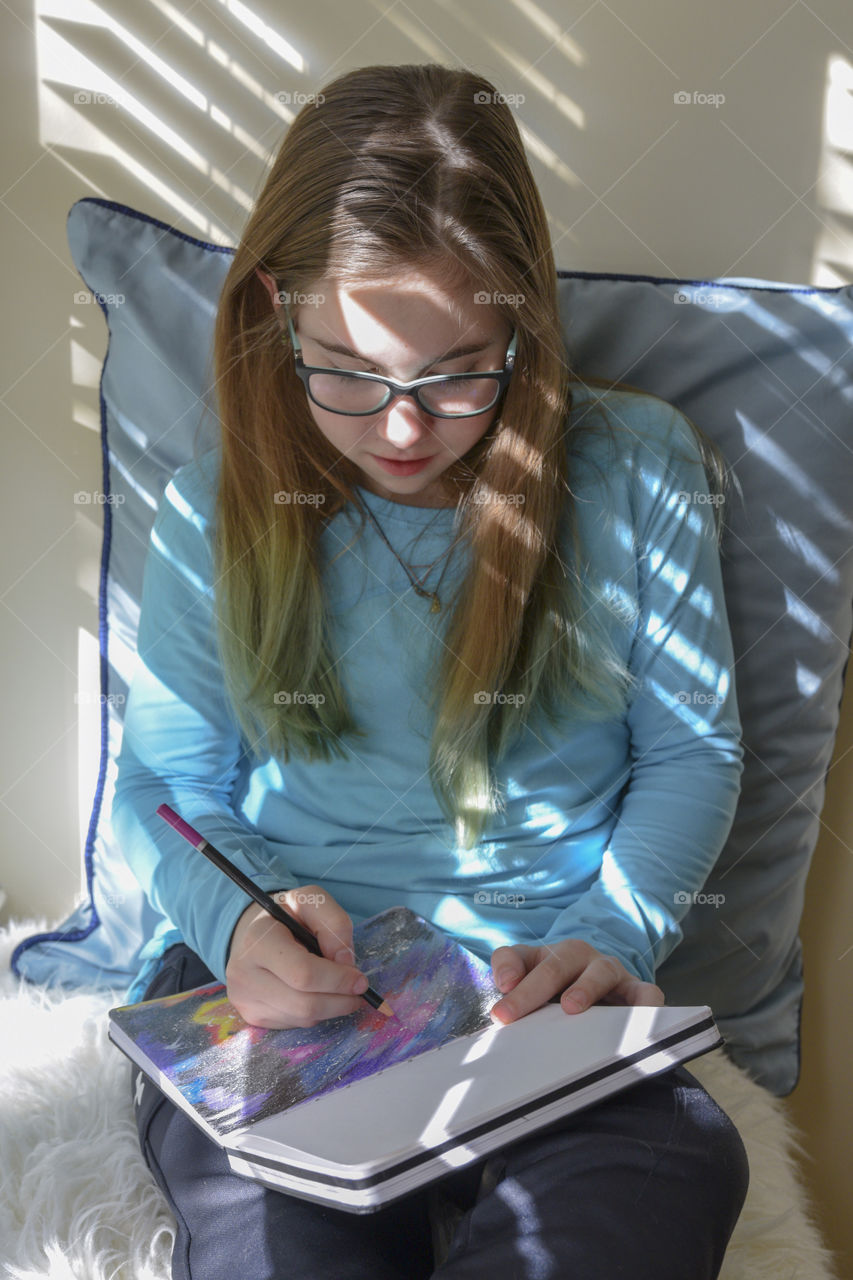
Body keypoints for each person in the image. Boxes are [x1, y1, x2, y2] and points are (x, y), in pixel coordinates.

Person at [113, 62, 749, 1280]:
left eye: (458, 369)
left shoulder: (635, 467)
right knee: (274, 1226)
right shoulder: (218, 506)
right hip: (285, 981)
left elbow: (690, 749)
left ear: (523, 325)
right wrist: (239, 919)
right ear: (274, 311)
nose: (402, 428)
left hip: (543, 988)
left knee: (661, 1171)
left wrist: (608, 931)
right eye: (347, 369)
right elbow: (163, 784)